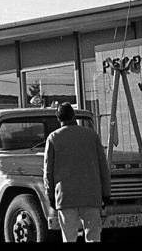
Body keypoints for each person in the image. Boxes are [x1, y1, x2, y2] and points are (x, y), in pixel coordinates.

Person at [44, 103, 111, 243]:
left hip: (65, 196)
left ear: (58, 118)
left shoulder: (53, 138)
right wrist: (106, 193)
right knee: (93, 237)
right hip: (91, 195)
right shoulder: (91, 136)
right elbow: (103, 167)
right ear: (73, 116)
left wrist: (50, 195)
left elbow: (48, 171)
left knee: (69, 238)